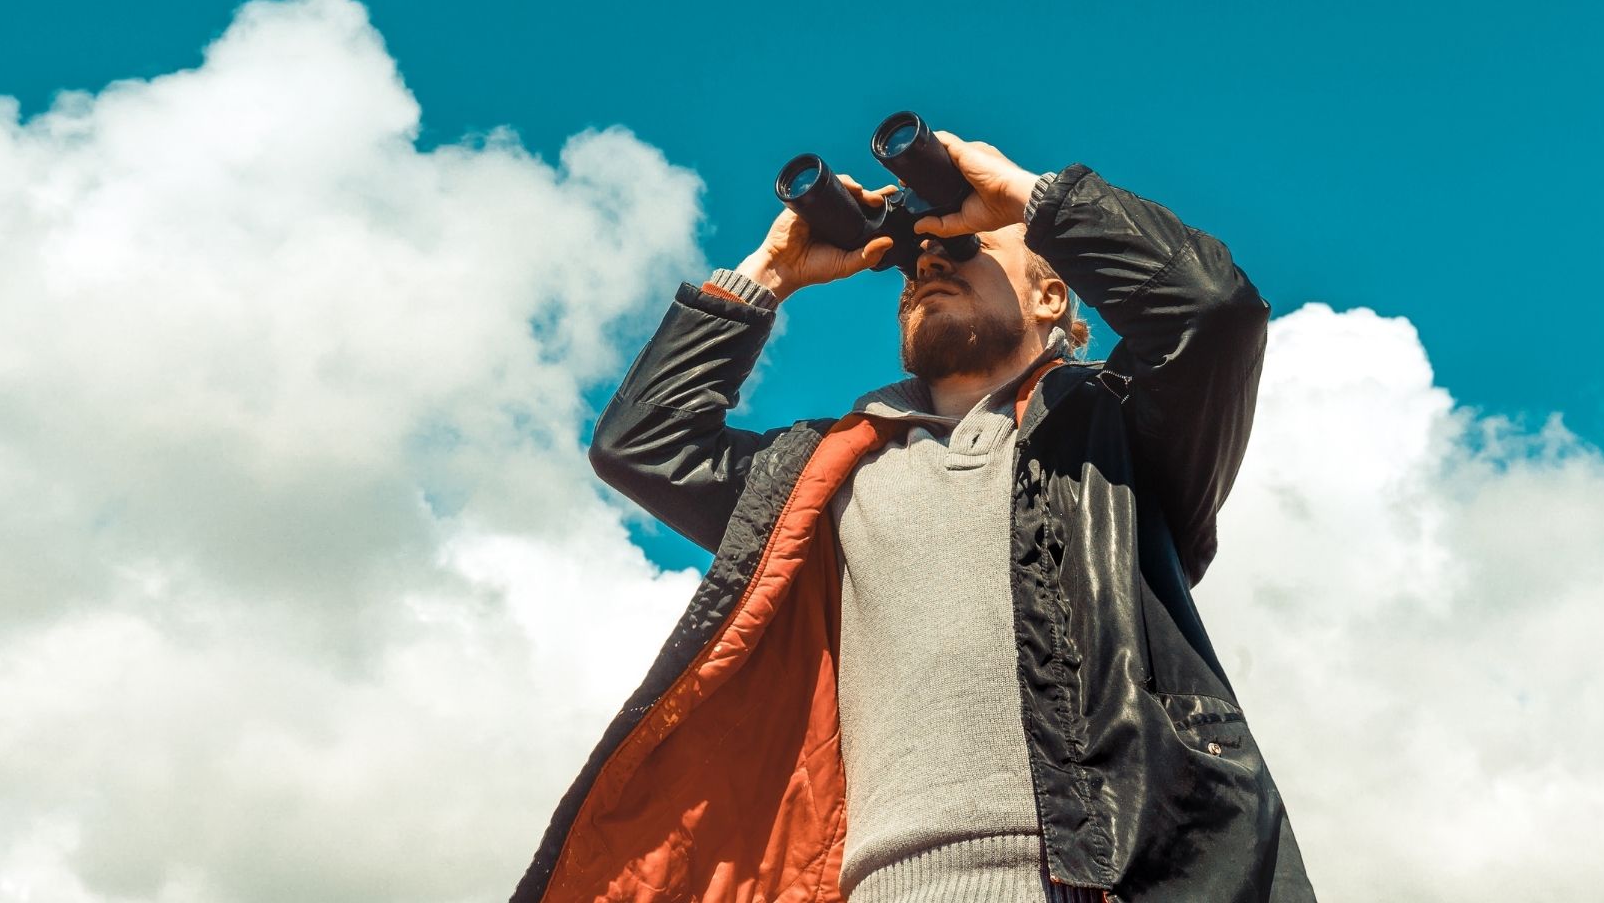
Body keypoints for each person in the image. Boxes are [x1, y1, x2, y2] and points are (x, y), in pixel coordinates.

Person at [512, 132, 1315, 902]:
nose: (928, 261)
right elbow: (642, 444)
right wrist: (770, 274)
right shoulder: (822, 476)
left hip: (1107, 879)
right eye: (913, 265)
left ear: (1049, 292)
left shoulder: (1123, 436)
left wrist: (1032, 199)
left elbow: (1211, 311)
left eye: (964, 249)